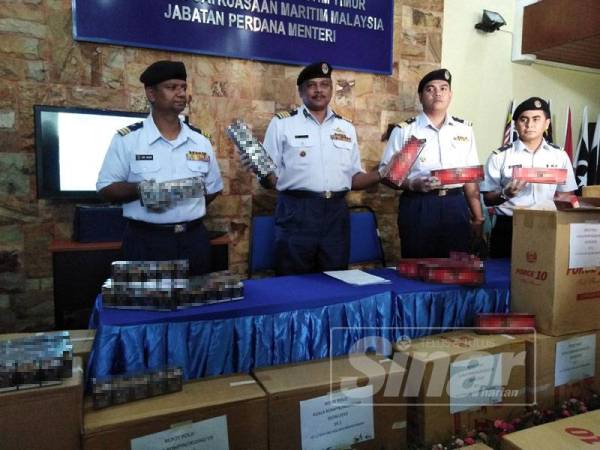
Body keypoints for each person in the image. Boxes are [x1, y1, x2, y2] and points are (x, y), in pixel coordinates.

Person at [96, 60, 223, 275]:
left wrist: (183, 205)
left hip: (193, 240)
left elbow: (212, 189)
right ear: (151, 94)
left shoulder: (200, 140)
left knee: (194, 305)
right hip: (146, 241)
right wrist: (145, 190)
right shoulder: (128, 139)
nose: (181, 93)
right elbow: (106, 188)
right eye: (171, 87)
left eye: (183, 87)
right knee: (146, 306)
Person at [261, 61, 381, 275]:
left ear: (331, 89)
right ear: (301, 91)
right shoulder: (282, 124)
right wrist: (262, 173)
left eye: (324, 84)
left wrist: (382, 173)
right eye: (312, 85)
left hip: (336, 213)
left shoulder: (346, 128)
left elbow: (353, 178)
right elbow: (268, 176)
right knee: (294, 283)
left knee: (336, 280)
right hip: (296, 211)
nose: (319, 90)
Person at [379, 68, 485, 258]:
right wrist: (412, 184)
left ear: (450, 95)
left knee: (456, 266)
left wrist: (478, 217)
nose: (438, 93)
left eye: (443, 88)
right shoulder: (404, 130)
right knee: (418, 264)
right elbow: (387, 177)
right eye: (430, 89)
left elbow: (470, 179)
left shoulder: (464, 130)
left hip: (455, 204)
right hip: (419, 205)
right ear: (420, 96)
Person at [480, 97, 577, 258]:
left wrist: (560, 201)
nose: (529, 125)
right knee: (504, 276)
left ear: (546, 124)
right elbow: (488, 199)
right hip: (509, 226)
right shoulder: (500, 156)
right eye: (524, 119)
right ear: (516, 124)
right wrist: (506, 193)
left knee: (543, 276)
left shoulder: (559, 156)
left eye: (536, 119)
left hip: (548, 225)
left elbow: (568, 193)